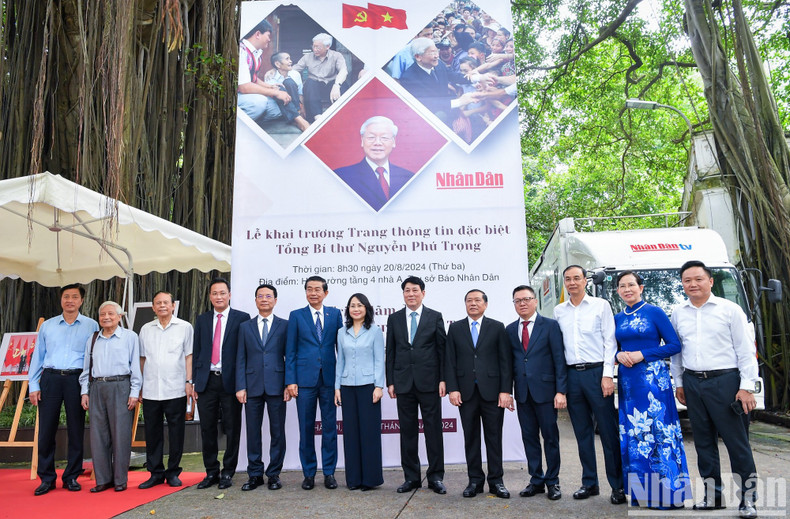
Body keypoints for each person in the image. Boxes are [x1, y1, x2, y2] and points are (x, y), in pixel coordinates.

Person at [670, 260, 759, 518]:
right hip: (693, 383)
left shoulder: (730, 310)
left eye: (698, 279)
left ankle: (748, 500)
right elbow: (677, 353)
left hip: (726, 383)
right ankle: (713, 497)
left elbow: (746, 352)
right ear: (683, 285)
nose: (693, 284)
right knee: (704, 444)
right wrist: (680, 383)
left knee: (737, 443)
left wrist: (746, 388)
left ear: (710, 281)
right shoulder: (679, 313)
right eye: (687, 280)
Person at [614, 271, 691, 509]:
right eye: (622, 286)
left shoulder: (654, 312)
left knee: (658, 432)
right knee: (636, 436)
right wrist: (617, 355)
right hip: (628, 382)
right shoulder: (616, 318)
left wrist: (643, 354)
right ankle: (642, 494)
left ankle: (669, 495)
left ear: (641, 287)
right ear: (618, 291)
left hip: (653, 381)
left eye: (631, 285)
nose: (627, 289)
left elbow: (674, 345)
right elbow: (612, 347)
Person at [553, 265, 625, 504]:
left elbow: (610, 341)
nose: (572, 282)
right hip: (572, 376)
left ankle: (617, 486)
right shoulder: (559, 311)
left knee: (607, 432)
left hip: (597, 374)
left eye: (576, 278)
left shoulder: (600, 305)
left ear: (585, 280)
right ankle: (589, 483)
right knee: (582, 433)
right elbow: (559, 349)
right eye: (568, 279)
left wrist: (607, 375)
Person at [28, 284, 99, 496]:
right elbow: (37, 357)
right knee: (46, 430)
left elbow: (94, 358)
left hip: (76, 379)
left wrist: (88, 387)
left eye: (74, 297)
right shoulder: (48, 326)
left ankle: (71, 477)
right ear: (61, 300)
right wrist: (33, 385)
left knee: (76, 429)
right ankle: (47, 478)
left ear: (81, 301)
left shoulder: (91, 325)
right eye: (66, 296)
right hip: (50, 378)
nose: (70, 300)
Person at [445, 289, 512, 499]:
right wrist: (452, 388)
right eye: (469, 300)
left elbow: (505, 362)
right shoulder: (455, 328)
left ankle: (496, 481)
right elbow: (450, 361)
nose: (473, 303)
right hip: (466, 393)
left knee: (494, 438)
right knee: (471, 438)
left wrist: (505, 391)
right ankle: (474, 480)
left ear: (485, 304)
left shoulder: (497, 327)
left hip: (493, 393)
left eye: (477, 300)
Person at [386, 276, 447, 494]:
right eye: (407, 291)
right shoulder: (394, 319)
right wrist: (390, 381)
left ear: (423, 292)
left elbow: (442, 351)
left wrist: (443, 379)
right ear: (403, 294)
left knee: (433, 430)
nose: (410, 294)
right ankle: (411, 477)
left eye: (415, 290)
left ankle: (436, 477)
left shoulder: (434, 317)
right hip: (403, 383)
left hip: (429, 382)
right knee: (408, 432)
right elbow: (391, 352)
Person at [506, 285, 567, 501]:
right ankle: (536, 480)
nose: (522, 303)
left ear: (535, 301)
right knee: (529, 437)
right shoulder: (510, 329)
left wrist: (561, 391)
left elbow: (559, 360)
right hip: (522, 394)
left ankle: (553, 481)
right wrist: (507, 392)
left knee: (550, 438)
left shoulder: (550, 326)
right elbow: (508, 364)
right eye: (517, 300)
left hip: (546, 392)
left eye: (526, 299)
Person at [285, 276, 344, 490]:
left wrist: (340, 381)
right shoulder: (296, 316)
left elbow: (341, 348)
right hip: (304, 382)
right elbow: (290, 351)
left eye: (317, 289)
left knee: (330, 428)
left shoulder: (335, 314)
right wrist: (290, 380)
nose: (313, 293)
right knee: (306, 428)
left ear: (325, 293)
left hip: (329, 380)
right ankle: (308, 473)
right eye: (309, 289)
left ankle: (329, 472)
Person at [79, 301, 142, 493]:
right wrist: (84, 391)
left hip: (120, 385)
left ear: (120, 316)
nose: (106, 317)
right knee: (98, 435)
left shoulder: (130, 337)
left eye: (110, 314)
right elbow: (86, 368)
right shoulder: (93, 338)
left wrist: (134, 391)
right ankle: (103, 479)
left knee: (121, 434)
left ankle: (120, 479)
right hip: (97, 386)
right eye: (102, 314)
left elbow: (136, 367)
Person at [192, 278, 249, 490]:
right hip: (206, 382)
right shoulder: (202, 319)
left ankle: (228, 472)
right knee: (207, 429)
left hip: (231, 381)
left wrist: (243, 382)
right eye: (214, 293)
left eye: (222, 293)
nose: (218, 296)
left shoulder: (242, 319)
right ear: (210, 296)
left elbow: (245, 352)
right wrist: (194, 381)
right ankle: (211, 472)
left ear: (230, 295)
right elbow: (197, 351)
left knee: (233, 428)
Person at [236, 283, 290, 491]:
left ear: (275, 300)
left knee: (277, 432)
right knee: (253, 432)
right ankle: (255, 474)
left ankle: (274, 474)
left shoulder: (284, 326)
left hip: (277, 386)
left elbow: (289, 357)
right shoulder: (245, 327)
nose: (264, 299)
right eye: (260, 296)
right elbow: (240, 358)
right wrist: (241, 386)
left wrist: (288, 383)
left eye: (269, 296)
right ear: (255, 300)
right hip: (252, 386)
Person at [138, 291, 194, 489]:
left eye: (165, 303)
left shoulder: (185, 327)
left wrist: (189, 381)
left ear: (173, 306)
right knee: (152, 433)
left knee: (176, 432)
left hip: (176, 388)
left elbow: (189, 356)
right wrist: (140, 386)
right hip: (152, 388)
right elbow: (142, 359)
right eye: (158, 303)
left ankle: (173, 472)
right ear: (153, 307)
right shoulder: (145, 329)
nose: (162, 306)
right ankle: (155, 473)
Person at [334, 293, 385, 490]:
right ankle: (354, 479)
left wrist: (379, 386)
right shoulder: (341, 332)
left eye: (360, 305)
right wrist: (337, 387)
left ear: (366, 309)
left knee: (369, 433)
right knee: (351, 434)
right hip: (347, 387)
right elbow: (341, 362)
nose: (356, 308)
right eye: (352, 305)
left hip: (368, 387)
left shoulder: (374, 331)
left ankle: (370, 479)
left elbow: (379, 360)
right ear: (348, 310)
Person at [333, 116, 414, 212]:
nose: (377, 143)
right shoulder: (342, 176)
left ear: (393, 142)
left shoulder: (409, 178)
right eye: (371, 137)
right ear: (362, 140)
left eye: (384, 138)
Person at [398, 38, 476, 126]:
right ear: (418, 56)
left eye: (436, 51)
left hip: (448, 114)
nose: (437, 56)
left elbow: (454, 76)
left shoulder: (438, 63)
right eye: (432, 53)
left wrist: (478, 78)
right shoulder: (409, 78)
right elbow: (428, 104)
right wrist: (459, 102)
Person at [237, 19, 294, 125]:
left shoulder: (256, 53)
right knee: (259, 103)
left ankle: (252, 122)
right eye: (268, 36)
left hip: (244, 95)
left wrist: (269, 86)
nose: (269, 40)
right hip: (236, 96)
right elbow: (244, 87)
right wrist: (276, 92)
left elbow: (252, 78)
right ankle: (235, 126)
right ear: (258, 34)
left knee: (277, 109)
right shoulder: (241, 51)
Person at [292, 33, 348, 122]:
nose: (315, 49)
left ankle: (340, 116)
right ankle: (317, 117)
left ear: (327, 46)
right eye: (314, 46)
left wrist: (337, 85)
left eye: (318, 47)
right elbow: (294, 70)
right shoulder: (307, 57)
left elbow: (343, 71)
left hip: (331, 86)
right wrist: (276, 70)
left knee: (344, 85)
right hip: (314, 89)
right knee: (310, 83)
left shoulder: (336, 56)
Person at [263, 52, 310, 132]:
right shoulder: (270, 76)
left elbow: (300, 94)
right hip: (278, 108)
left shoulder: (295, 74)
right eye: (287, 59)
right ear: (278, 64)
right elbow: (272, 96)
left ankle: (296, 117)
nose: (290, 61)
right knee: (279, 88)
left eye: (290, 58)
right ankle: (298, 119)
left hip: (295, 107)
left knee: (289, 82)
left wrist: (303, 109)